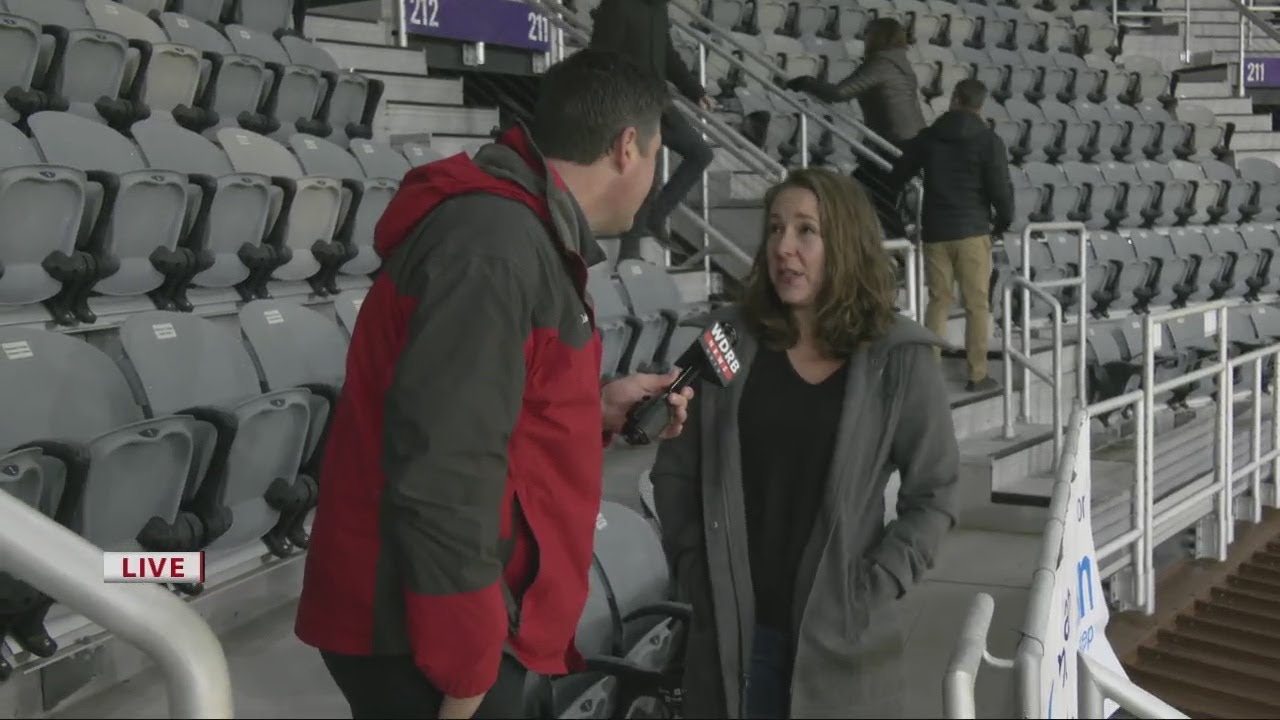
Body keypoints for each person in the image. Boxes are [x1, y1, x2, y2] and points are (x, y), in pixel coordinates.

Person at [294, 49, 696, 720]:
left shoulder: (520, 235)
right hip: (427, 635)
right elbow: (444, 464)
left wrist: (597, 409)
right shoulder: (494, 246)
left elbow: (490, 411)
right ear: (628, 148)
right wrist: (470, 665)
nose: (656, 177)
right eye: (658, 156)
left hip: (452, 623)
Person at [649, 168, 960, 719]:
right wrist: (695, 569)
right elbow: (675, 466)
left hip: (844, 641)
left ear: (843, 243)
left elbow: (934, 494)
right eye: (774, 230)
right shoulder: (726, 339)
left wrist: (877, 583)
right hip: (735, 636)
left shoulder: (899, 358)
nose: (783, 248)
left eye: (805, 231)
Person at [888, 78, 1013, 393]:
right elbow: (1001, 191)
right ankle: (976, 374)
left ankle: (930, 374)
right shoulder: (989, 141)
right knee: (976, 305)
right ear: (980, 105)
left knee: (938, 301)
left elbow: (898, 174)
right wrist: (1001, 225)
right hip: (972, 232)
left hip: (935, 232)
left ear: (954, 99)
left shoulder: (929, 138)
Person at [589, 0, 717, 261]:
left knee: (700, 153)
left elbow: (667, 54)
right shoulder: (617, 6)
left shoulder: (658, 8)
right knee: (647, 175)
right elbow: (600, 58)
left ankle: (657, 215)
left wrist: (696, 91)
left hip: (658, 101)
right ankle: (629, 253)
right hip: (628, 102)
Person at [786, 18, 927, 236]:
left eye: (869, 33)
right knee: (865, 189)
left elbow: (840, 93)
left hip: (894, 143)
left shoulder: (881, 63)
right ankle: (895, 247)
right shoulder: (901, 63)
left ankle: (899, 249)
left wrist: (807, 83)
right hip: (909, 141)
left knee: (871, 193)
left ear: (879, 36)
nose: (865, 38)